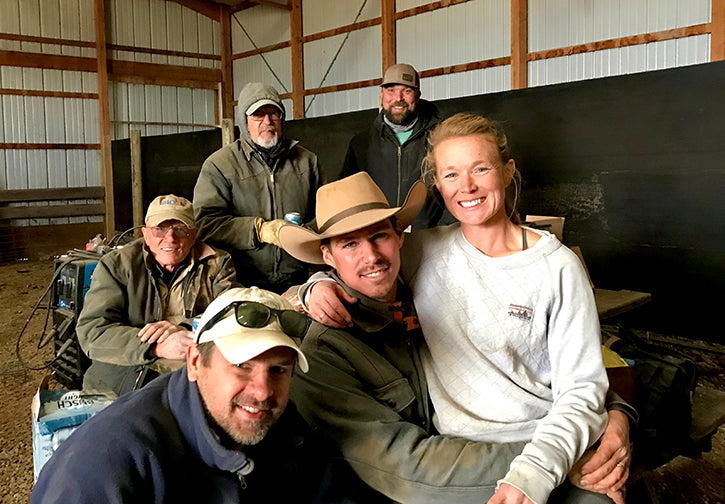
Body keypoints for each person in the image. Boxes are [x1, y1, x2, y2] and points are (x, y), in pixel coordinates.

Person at [278, 173, 634, 504]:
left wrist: (616, 412)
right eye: (350, 244)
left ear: (400, 235)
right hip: (415, 490)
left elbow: (530, 357)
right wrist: (549, 463)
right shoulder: (323, 351)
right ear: (327, 256)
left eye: (379, 236)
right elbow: (409, 468)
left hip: (492, 449)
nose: (371, 256)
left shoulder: (420, 288)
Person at [32, 286, 340, 504]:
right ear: (194, 362)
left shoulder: (283, 427)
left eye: (279, 370)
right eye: (241, 365)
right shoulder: (107, 464)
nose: (262, 391)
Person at [77, 194, 236, 397]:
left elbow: (231, 313)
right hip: (125, 376)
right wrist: (157, 346)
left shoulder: (217, 262)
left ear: (194, 234)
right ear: (145, 234)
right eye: (159, 228)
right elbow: (93, 332)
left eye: (180, 229)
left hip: (192, 374)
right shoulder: (117, 265)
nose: (170, 238)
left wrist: (185, 328)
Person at [193, 81, 323, 293]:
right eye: (258, 115)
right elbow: (205, 224)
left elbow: (325, 214)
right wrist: (259, 230)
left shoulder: (307, 161)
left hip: (299, 280)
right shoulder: (220, 165)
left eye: (274, 114)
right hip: (240, 282)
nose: (267, 122)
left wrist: (305, 234)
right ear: (244, 121)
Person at [341, 63, 451, 230]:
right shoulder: (361, 143)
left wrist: (441, 230)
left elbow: (457, 188)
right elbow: (347, 196)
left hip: (429, 238)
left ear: (418, 95)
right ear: (382, 94)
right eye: (391, 90)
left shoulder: (442, 138)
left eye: (407, 91)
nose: (398, 98)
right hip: (379, 239)